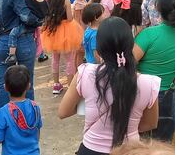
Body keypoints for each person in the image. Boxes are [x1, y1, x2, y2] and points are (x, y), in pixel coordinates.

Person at [59, 16, 160, 154]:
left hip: (91, 149)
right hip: (131, 150)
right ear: (131, 46)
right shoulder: (148, 83)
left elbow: (63, 112)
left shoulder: (86, 74)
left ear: (99, 50)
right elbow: (150, 123)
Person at [134, 0, 175, 141]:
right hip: (169, 102)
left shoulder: (148, 35)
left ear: (157, 7)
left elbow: (126, 65)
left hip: (144, 102)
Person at [41, 0, 84, 95]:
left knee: (55, 59)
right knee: (69, 60)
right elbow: (70, 18)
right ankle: (70, 85)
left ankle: (56, 84)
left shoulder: (48, 0)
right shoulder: (65, 1)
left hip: (53, 30)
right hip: (66, 31)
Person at [0, 65, 41, 155]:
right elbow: (37, 134)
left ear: (5, 87)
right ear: (28, 86)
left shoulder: (3, 113)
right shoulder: (35, 107)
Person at [4, 0, 47, 67]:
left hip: (25, 26)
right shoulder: (45, 2)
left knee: (13, 34)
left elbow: (22, 12)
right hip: (37, 26)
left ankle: (12, 54)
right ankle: (40, 53)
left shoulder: (27, 0)